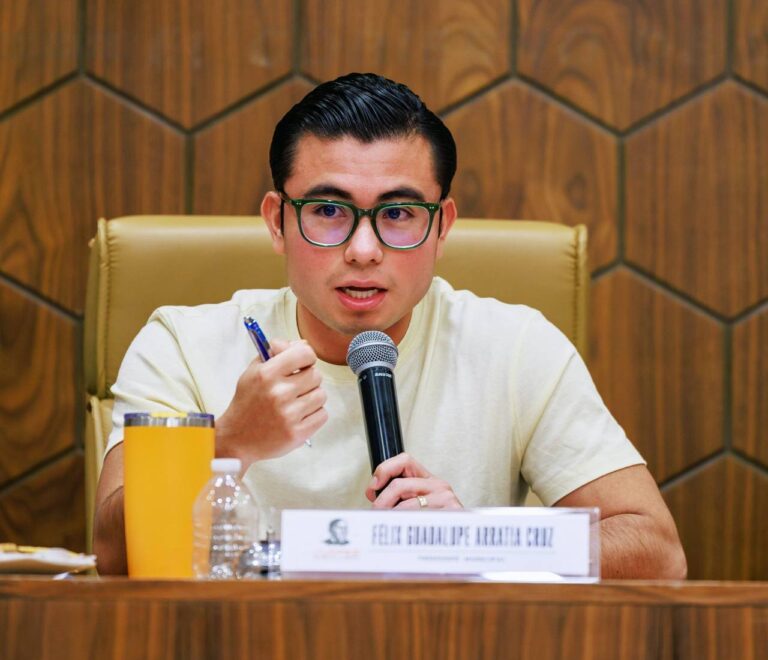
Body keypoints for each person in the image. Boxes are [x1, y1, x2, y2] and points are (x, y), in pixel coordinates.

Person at [94, 73, 686, 579]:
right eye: (329, 210)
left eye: (398, 213)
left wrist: (472, 542)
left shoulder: (516, 347)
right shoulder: (181, 344)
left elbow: (657, 550)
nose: (363, 250)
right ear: (277, 222)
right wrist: (228, 445)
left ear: (442, 227)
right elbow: (114, 556)